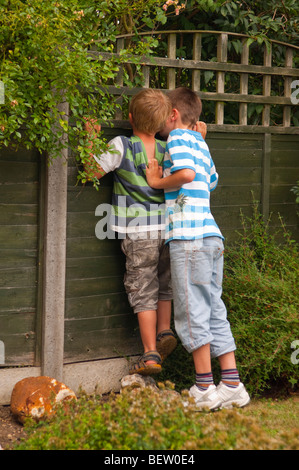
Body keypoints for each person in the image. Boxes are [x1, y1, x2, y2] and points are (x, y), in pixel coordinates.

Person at [146, 87, 250, 410]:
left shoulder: (176, 138)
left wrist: (156, 181)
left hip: (189, 238)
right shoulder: (201, 145)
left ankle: (204, 388)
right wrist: (199, 140)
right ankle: (231, 383)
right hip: (212, 237)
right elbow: (211, 180)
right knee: (214, 307)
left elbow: (186, 174)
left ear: (174, 116)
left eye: (165, 115)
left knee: (192, 311)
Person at [83, 88, 177, 376]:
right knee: (164, 283)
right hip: (168, 231)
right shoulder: (167, 148)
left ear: (130, 117)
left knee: (142, 288)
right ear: (163, 122)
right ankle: (164, 332)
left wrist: (89, 136)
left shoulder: (122, 145)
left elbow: (90, 171)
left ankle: (150, 354)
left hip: (139, 234)